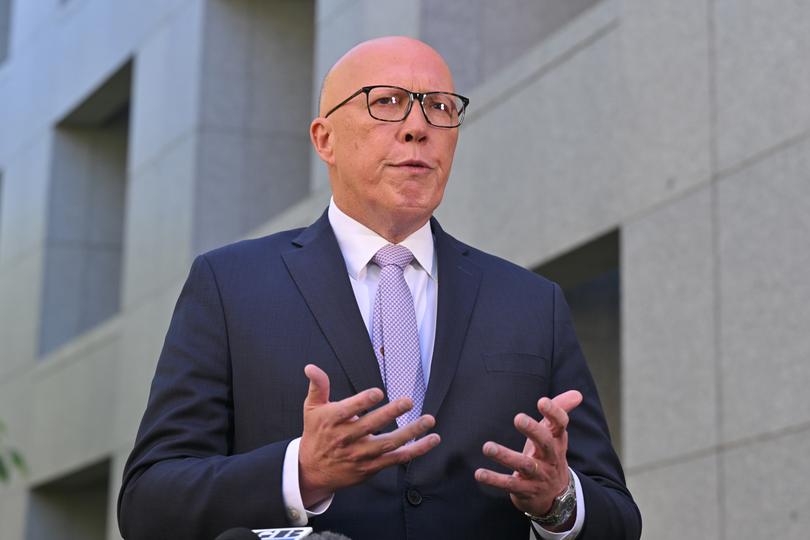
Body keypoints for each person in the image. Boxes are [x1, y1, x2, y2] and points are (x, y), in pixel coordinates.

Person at [118, 36, 641, 540]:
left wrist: (559, 501)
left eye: (439, 107)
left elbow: (618, 516)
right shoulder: (231, 286)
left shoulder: (531, 303)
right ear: (325, 139)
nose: (418, 127)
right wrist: (300, 471)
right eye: (387, 102)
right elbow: (148, 505)